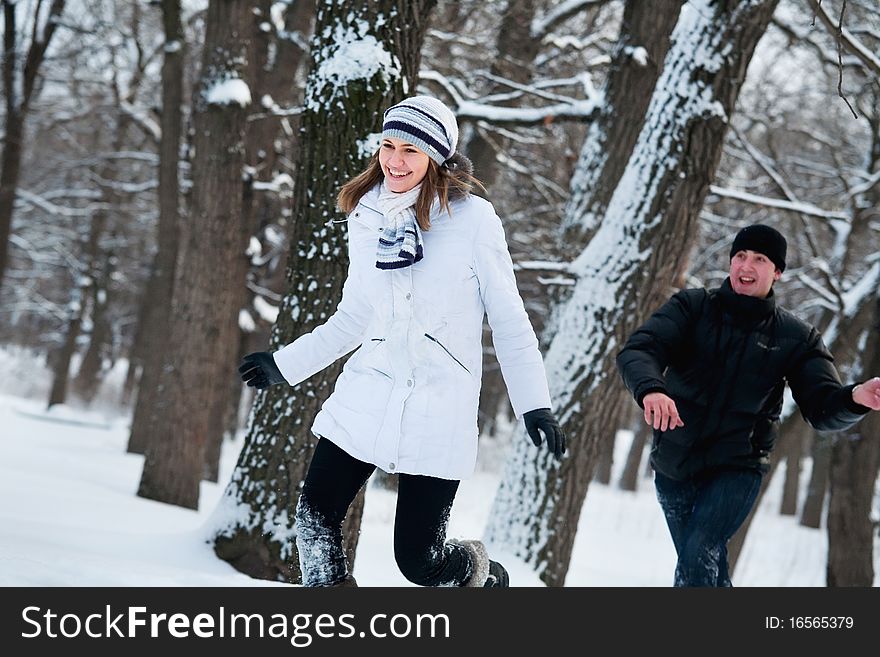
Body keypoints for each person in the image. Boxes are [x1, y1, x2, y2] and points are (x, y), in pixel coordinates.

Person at [238, 96, 565, 587]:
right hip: (368, 392)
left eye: (410, 151)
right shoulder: (367, 216)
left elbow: (510, 322)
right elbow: (354, 315)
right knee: (314, 518)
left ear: (436, 157)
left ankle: (482, 576)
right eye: (387, 146)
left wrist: (534, 405)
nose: (394, 160)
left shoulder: (473, 221)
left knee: (419, 562)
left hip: (438, 404)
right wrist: (284, 365)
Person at [616, 224, 880, 587]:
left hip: (737, 467)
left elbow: (821, 406)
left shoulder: (795, 337)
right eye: (740, 256)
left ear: (778, 272)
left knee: (700, 551)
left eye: (759, 259)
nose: (746, 265)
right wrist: (651, 390)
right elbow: (640, 350)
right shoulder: (692, 308)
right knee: (705, 568)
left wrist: (854, 398)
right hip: (675, 462)